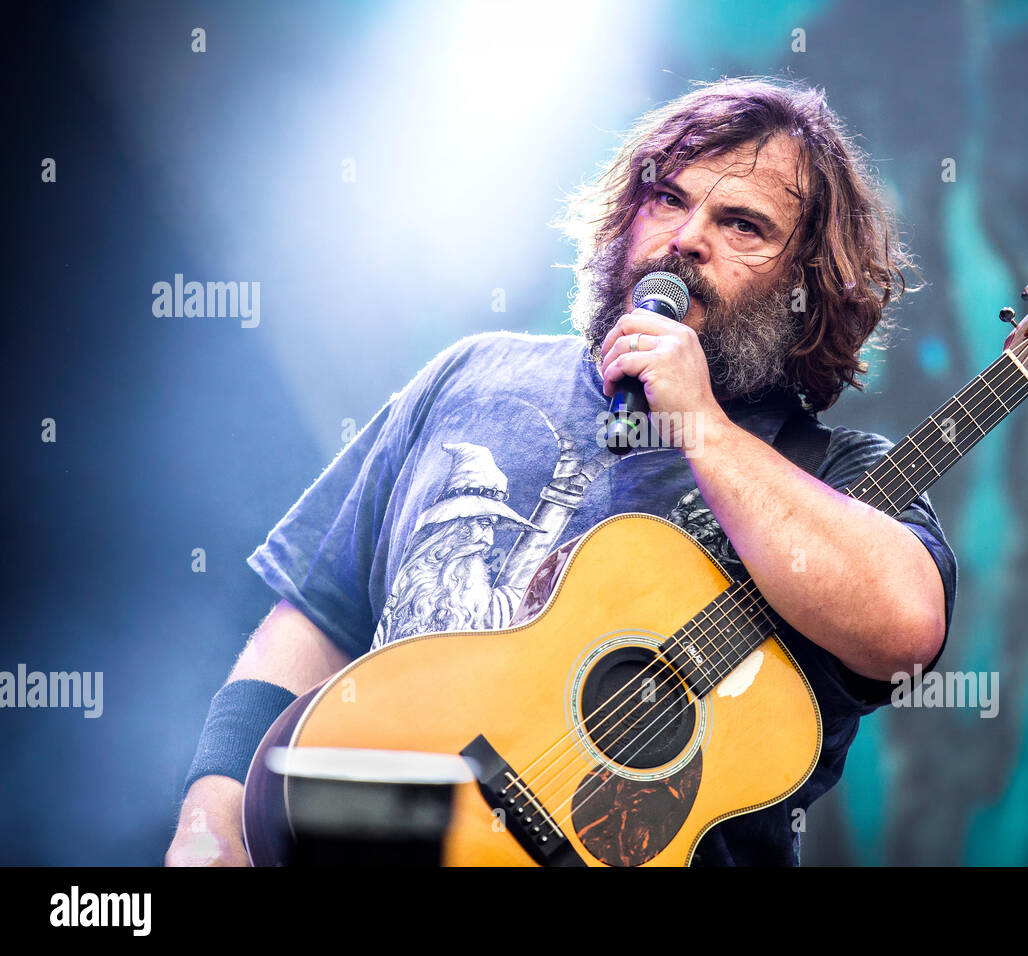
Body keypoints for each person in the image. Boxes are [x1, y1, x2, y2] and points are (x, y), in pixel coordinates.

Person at [165, 77, 957, 867]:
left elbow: (905, 628)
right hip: (379, 838)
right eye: (669, 199)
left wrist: (703, 426)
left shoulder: (837, 477)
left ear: (806, 288)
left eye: (742, 224)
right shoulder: (470, 376)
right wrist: (212, 816)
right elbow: (314, 620)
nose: (687, 238)